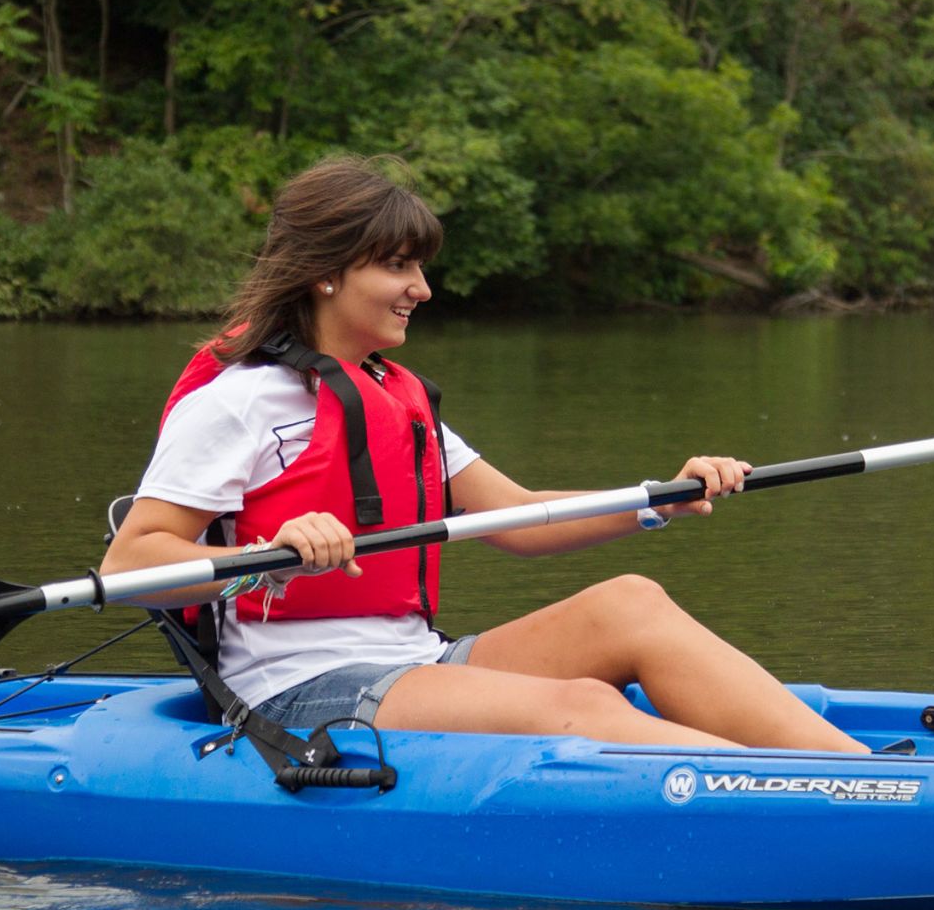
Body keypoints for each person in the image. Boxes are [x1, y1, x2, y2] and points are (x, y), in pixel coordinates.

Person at [98, 155, 865, 753]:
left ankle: (861, 771)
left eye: (419, 267)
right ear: (326, 273)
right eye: (398, 267)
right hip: (298, 683)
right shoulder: (237, 401)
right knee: (581, 706)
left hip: (417, 657)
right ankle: (795, 794)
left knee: (630, 601)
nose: (422, 289)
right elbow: (128, 566)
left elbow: (520, 518)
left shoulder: (394, 399)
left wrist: (658, 497)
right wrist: (274, 549)